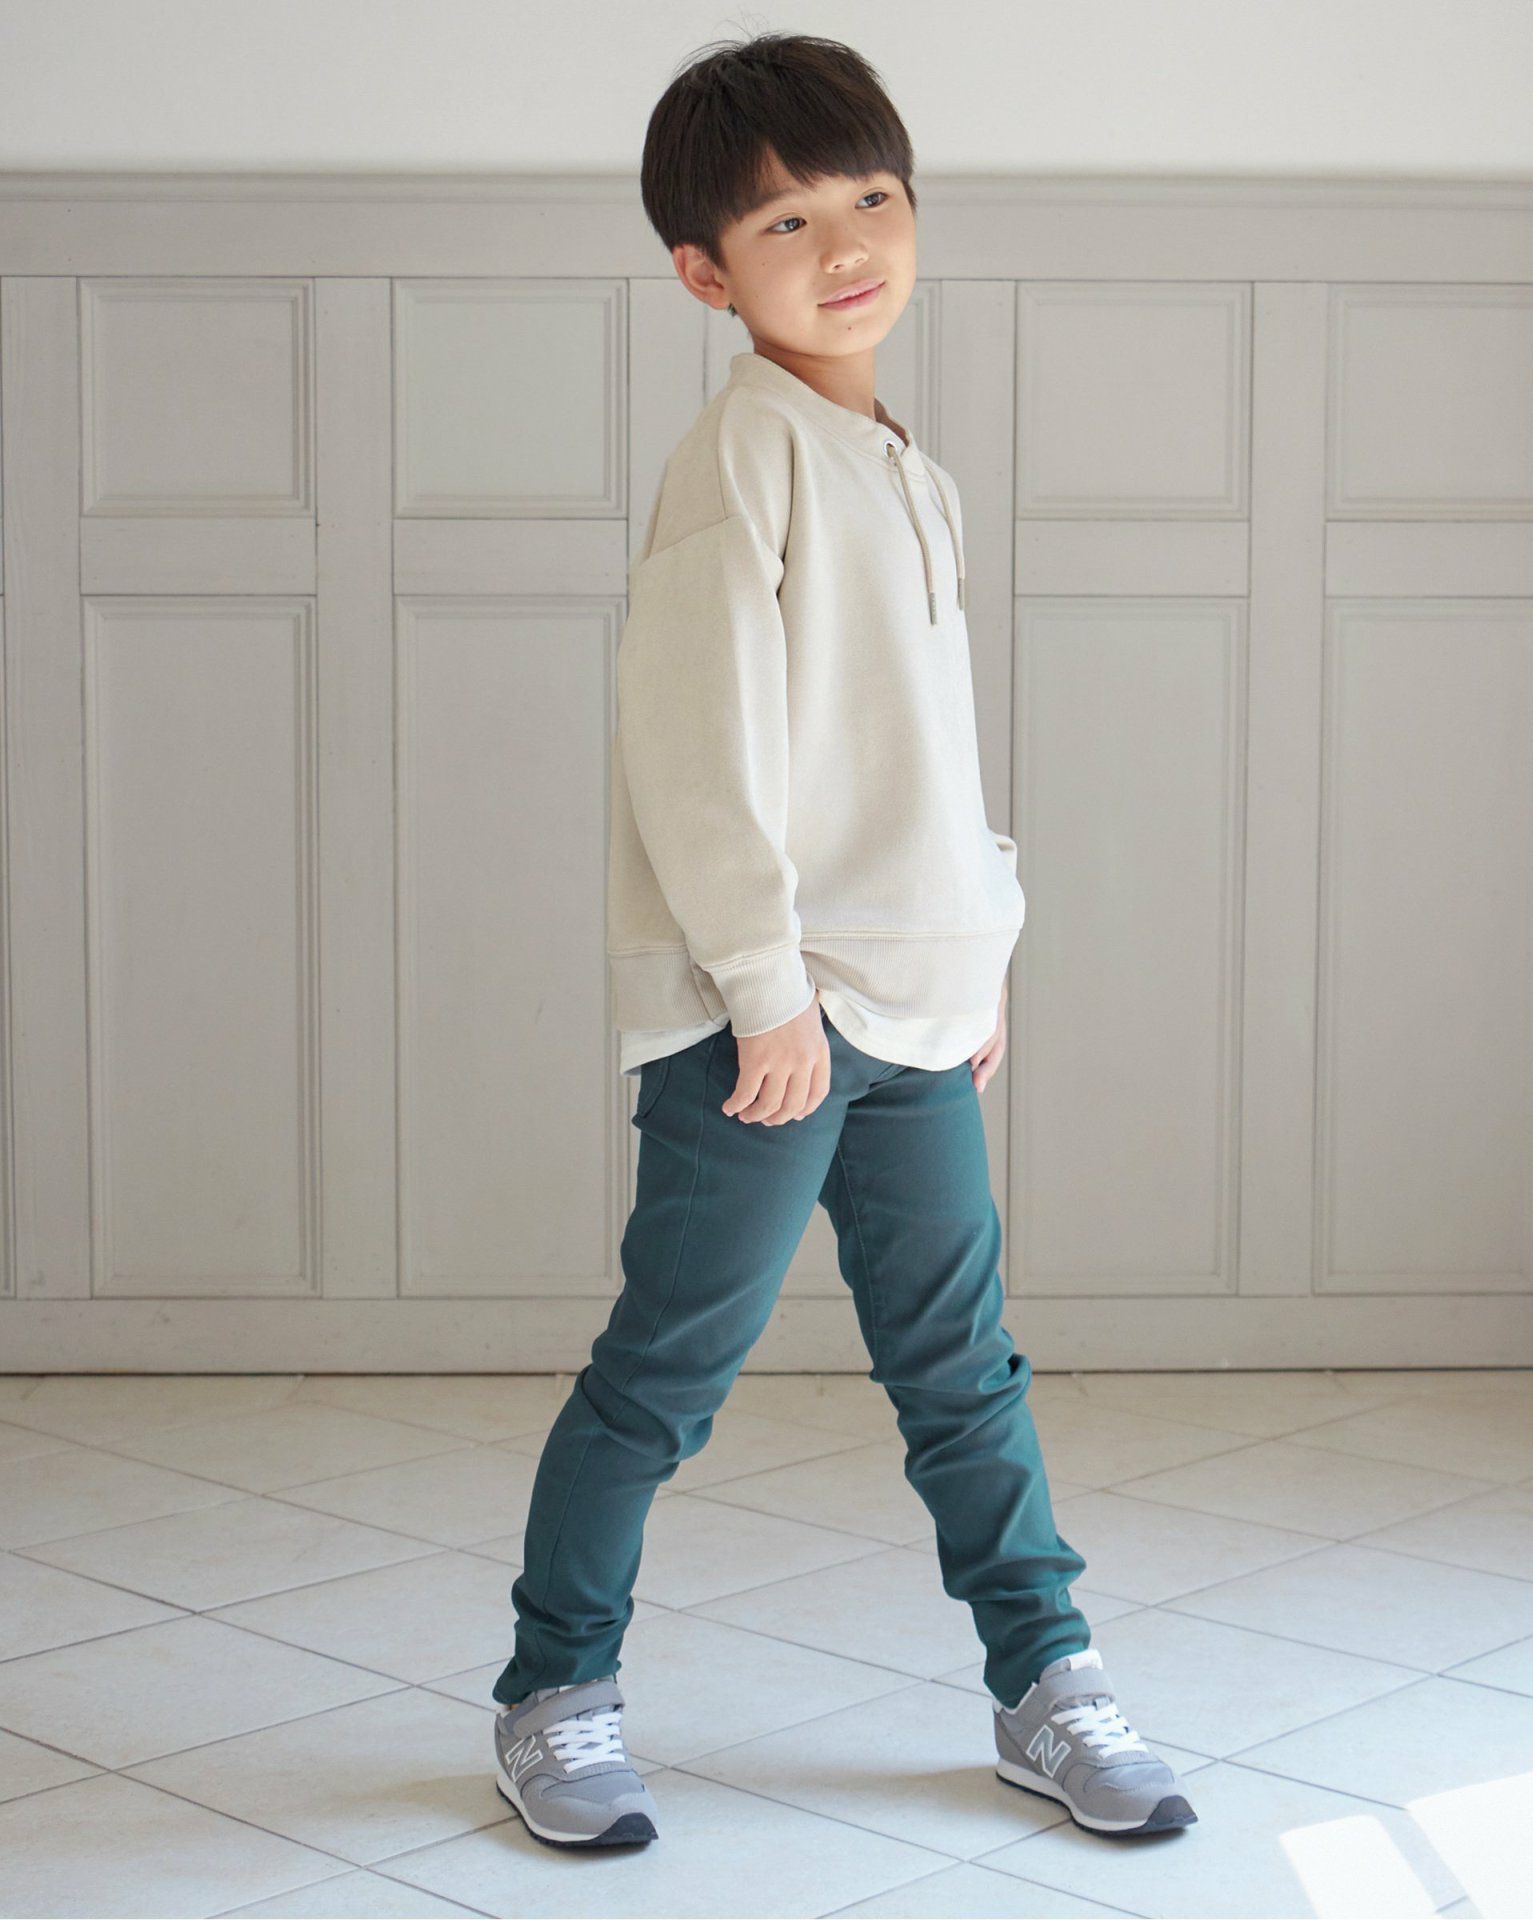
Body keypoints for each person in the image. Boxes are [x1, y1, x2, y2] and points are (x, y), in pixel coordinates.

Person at [490, 29, 1198, 1852]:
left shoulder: (906, 469)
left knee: (963, 1374)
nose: (847, 243)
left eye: (871, 197)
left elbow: (921, 756)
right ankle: (552, 1693)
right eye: (786, 221)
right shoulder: (746, 451)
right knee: (667, 1372)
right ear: (705, 275)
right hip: (775, 1020)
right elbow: (696, 748)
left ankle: (1046, 1684)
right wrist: (764, 991)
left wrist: (983, 945)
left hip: (916, 1012)